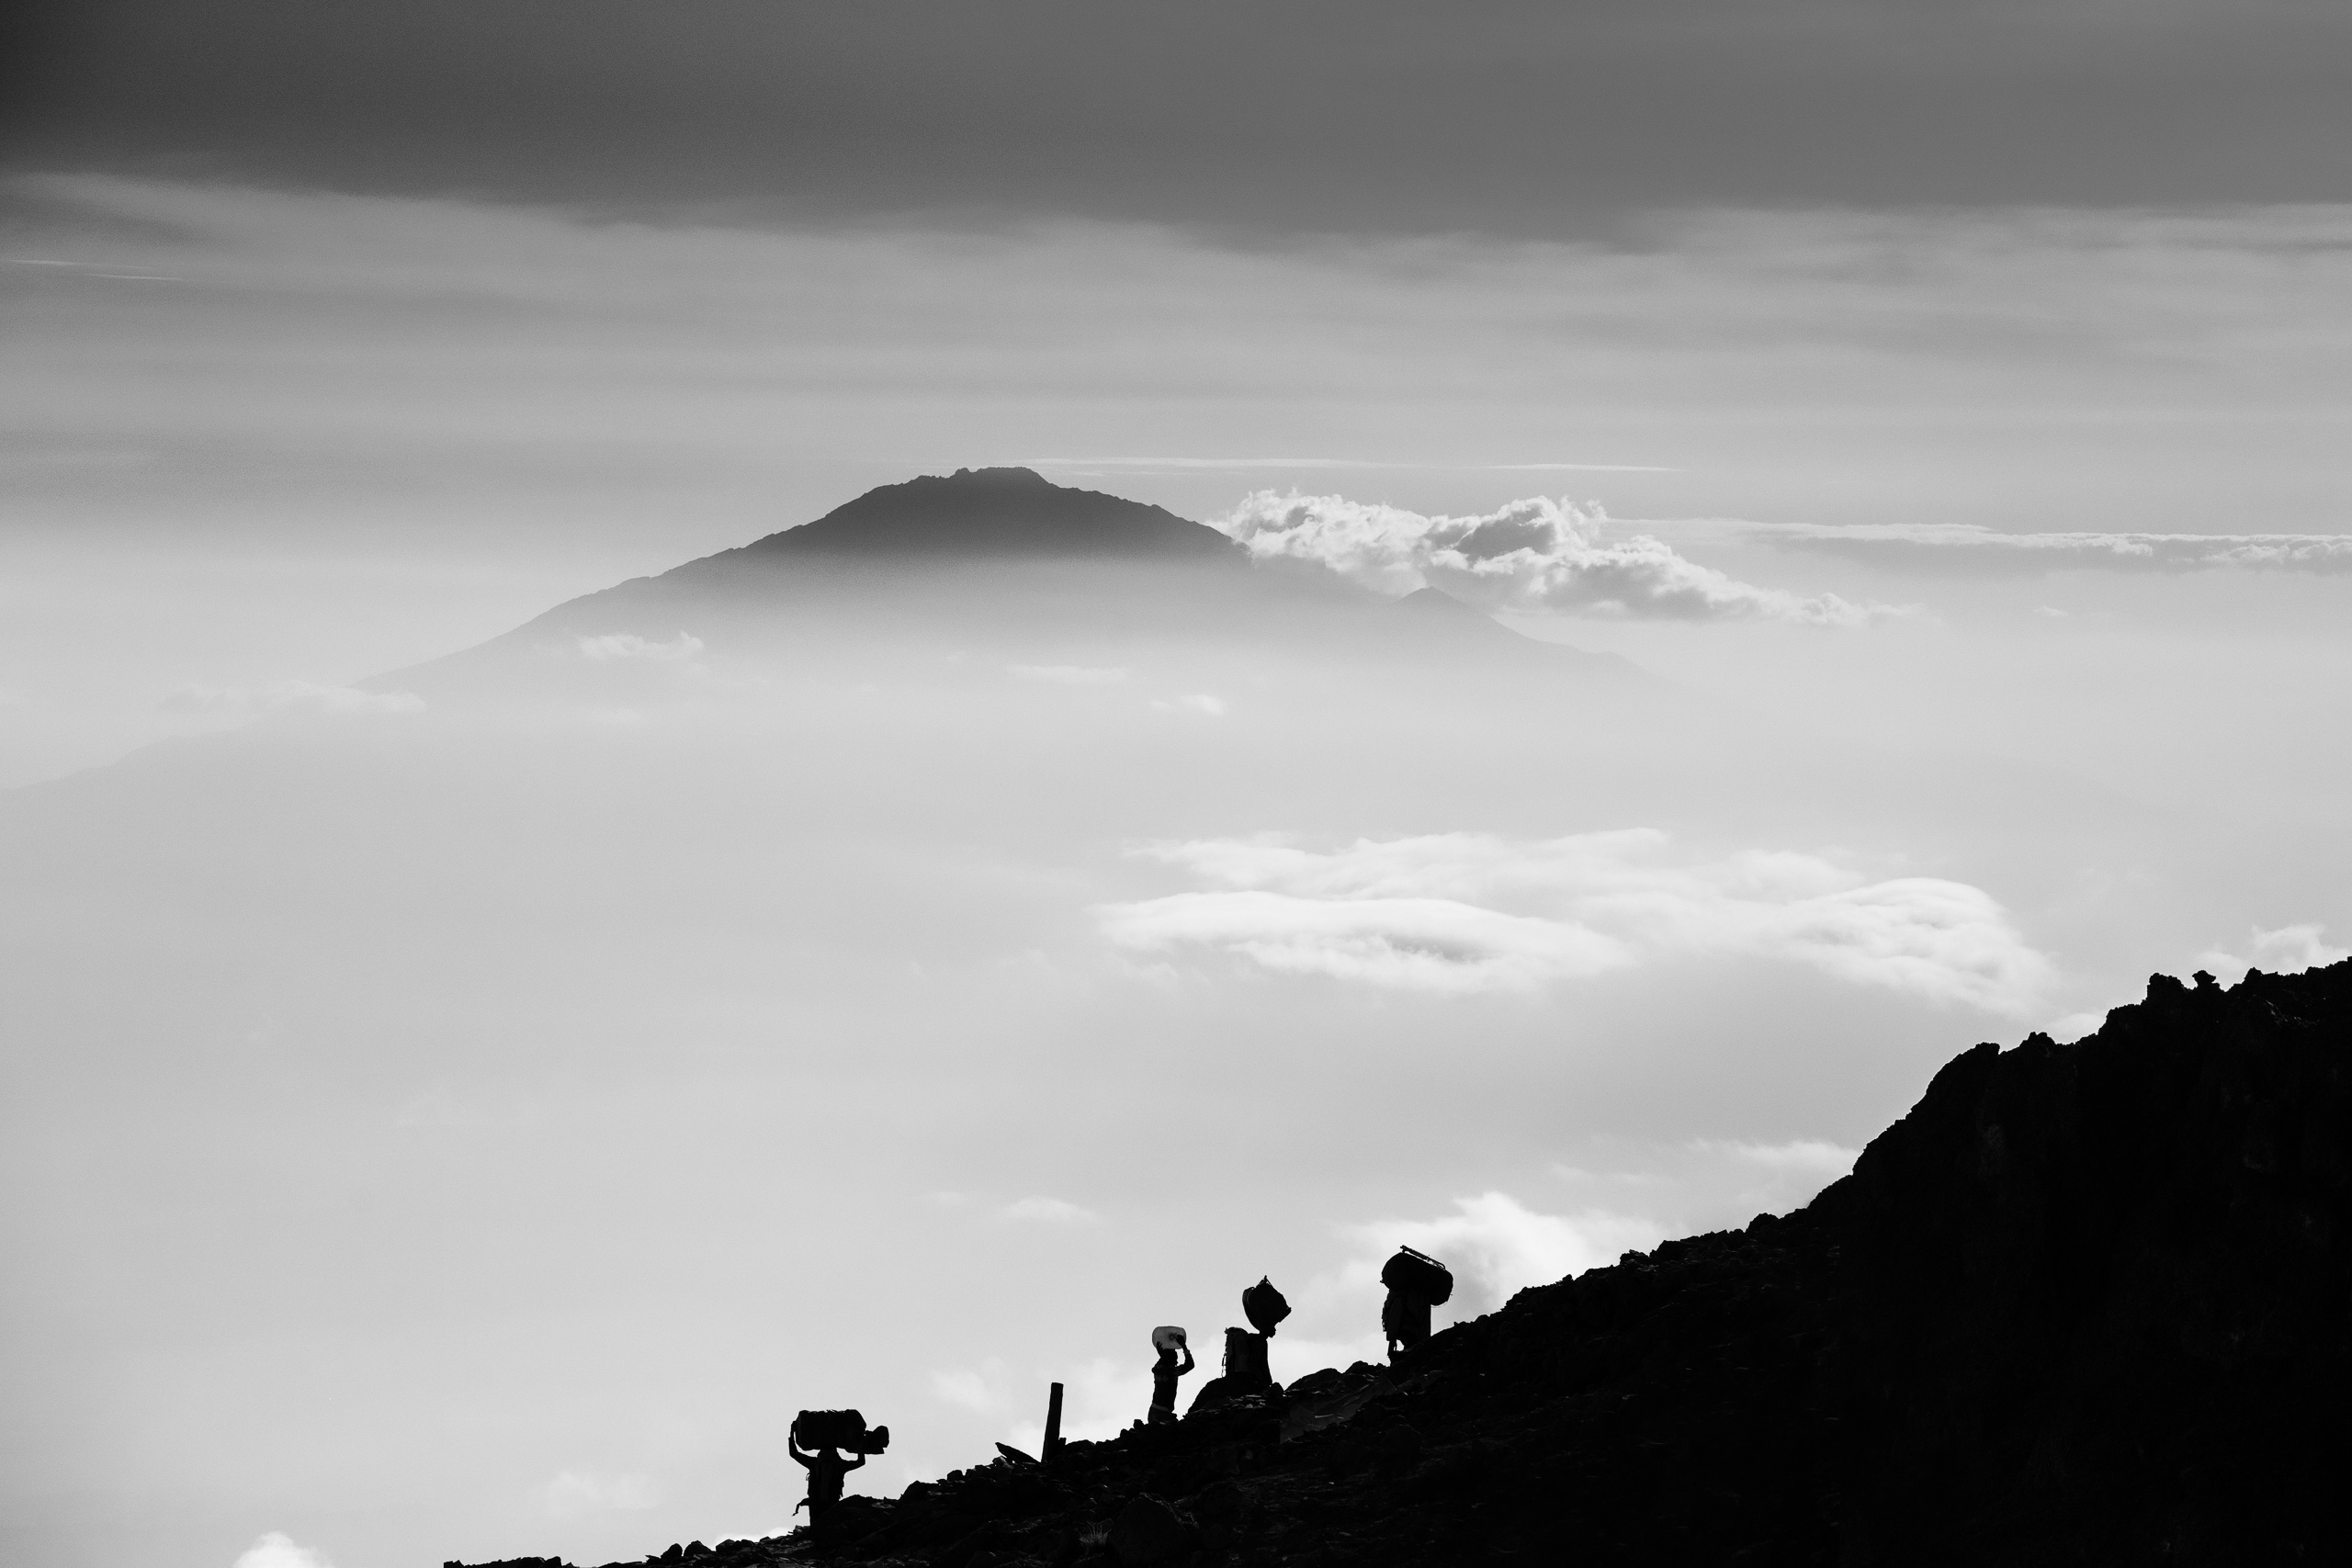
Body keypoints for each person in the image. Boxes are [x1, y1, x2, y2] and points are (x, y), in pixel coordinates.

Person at [788, 1425, 866, 1529]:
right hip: (832, 1503)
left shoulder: (814, 1463)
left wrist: (792, 1432)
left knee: (816, 1529)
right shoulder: (841, 1464)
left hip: (815, 1502)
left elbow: (793, 1453)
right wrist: (860, 1443)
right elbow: (861, 1462)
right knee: (830, 1527)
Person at [1148, 1331, 1196, 1425]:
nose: (1176, 1361)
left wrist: (1162, 1354)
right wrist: (1184, 1347)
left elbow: (1163, 1361)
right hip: (1163, 1414)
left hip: (1154, 1411)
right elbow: (1190, 1365)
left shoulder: (1157, 1369)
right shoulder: (1171, 1372)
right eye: (1175, 1359)